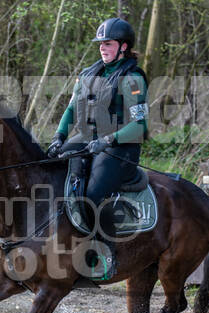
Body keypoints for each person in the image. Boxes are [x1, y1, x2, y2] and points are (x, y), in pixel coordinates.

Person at [47, 17, 149, 279]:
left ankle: (104, 252)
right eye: (101, 43)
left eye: (109, 43)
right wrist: (59, 136)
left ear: (124, 47)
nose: (103, 48)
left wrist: (107, 140)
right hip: (85, 139)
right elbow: (71, 109)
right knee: (48, 173)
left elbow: (140, 127)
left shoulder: (132, 78)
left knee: (92, 194)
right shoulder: (87, 74)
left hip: (119, 148)